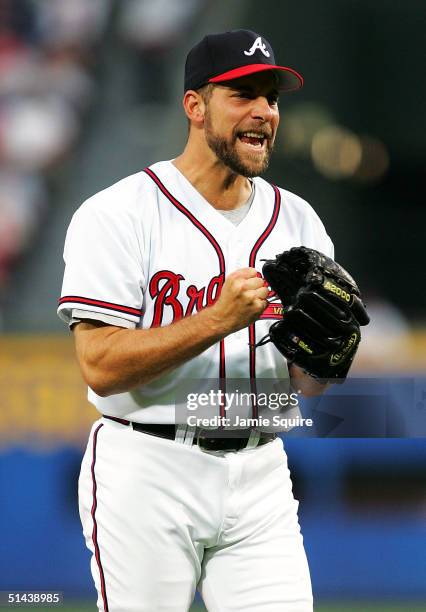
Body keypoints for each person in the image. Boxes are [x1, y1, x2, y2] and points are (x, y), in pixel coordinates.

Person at [58, 29, 333, 612]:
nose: (264, 111)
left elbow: (308, 384)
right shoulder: (117, 214)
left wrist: (323, 360)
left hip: (261, 473)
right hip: (148, 469)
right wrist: (218, 319)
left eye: (272, 97)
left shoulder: (300, 222)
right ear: (194, 106)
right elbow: (100, 365)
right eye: (242, 93)